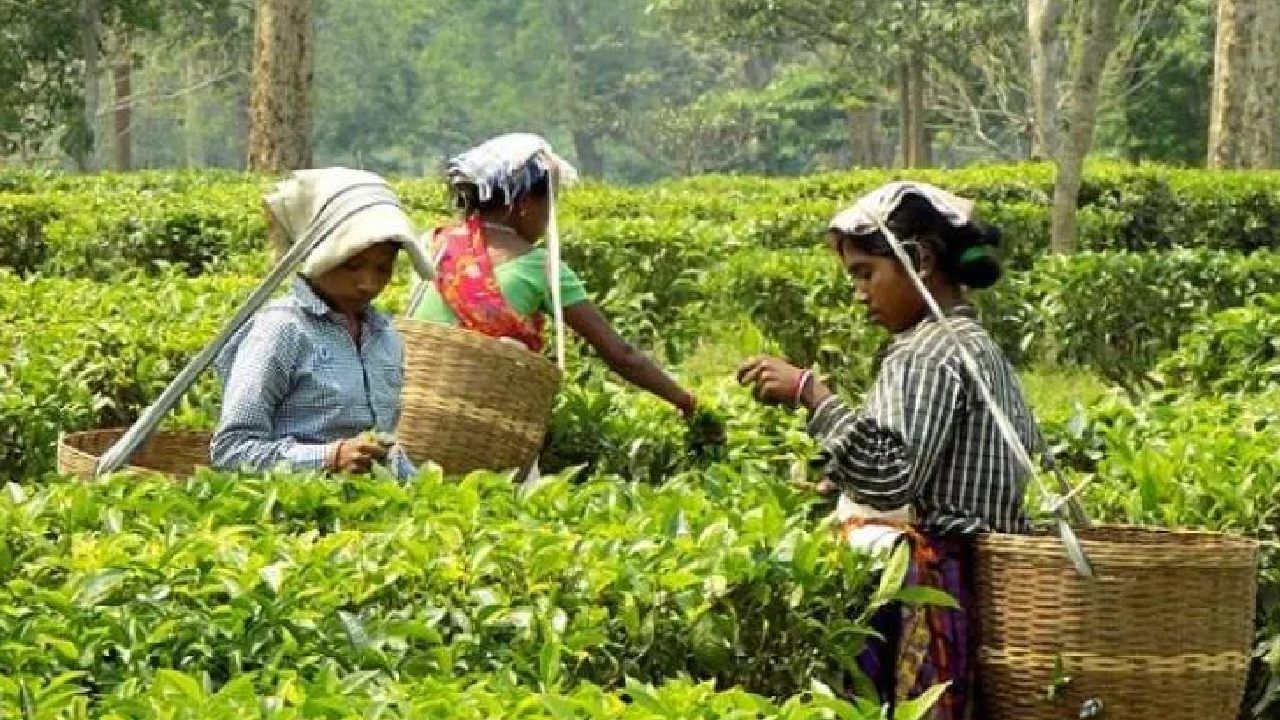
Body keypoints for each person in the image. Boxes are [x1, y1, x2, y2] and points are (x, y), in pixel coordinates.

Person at [736, 181, 1041, 720]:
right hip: (975, 580)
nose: (859, 293)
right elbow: (935, 463)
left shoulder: (925, 354)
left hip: (932, 584)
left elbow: (891, 478)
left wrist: (813, 393)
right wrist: (840, 476)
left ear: (919, 260)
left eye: (864, 273)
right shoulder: (975, 344)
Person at [409, 132, 700, 418]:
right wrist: (683, 400)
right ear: (525, 205)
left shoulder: (433, 243)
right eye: (550, 202)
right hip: (485, 421)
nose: (550, 215)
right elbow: (621, 355)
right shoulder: (540, 267)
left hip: (414, 408)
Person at [211, 168, 432, 480]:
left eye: (383, 268)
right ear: (319, 255)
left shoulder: (383, 335)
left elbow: (384, 447)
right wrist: (328, 457)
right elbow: (231, 450)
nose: (368, 283)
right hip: (298, 514)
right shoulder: (282, 330)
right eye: (352, 265)